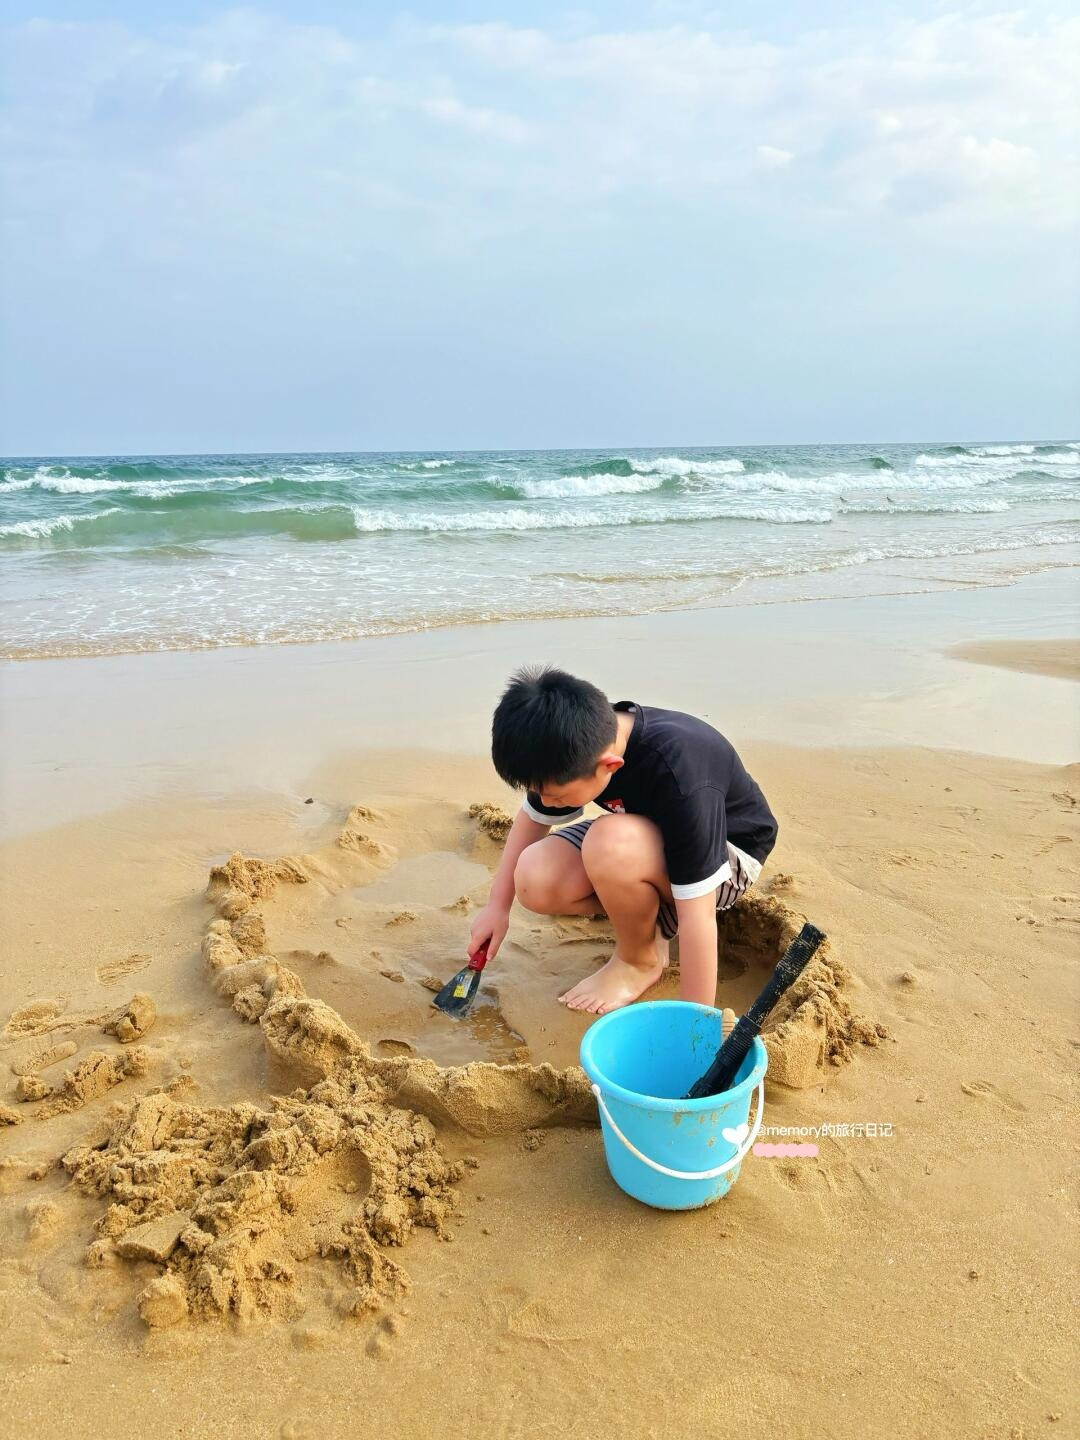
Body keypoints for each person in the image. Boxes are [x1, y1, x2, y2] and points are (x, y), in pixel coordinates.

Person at [469, 665, 779, 1015]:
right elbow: (532, 820)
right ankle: (649, 923)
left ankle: (639, 961)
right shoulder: (568, 744)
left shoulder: (681, 772)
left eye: (556, 796)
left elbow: (699, 918)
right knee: (534, 877)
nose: (547, 801)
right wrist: (497, 907)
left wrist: (695, 1027)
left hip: (727, 856)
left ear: (610, 766)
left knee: (609, 843)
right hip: (643, 837)